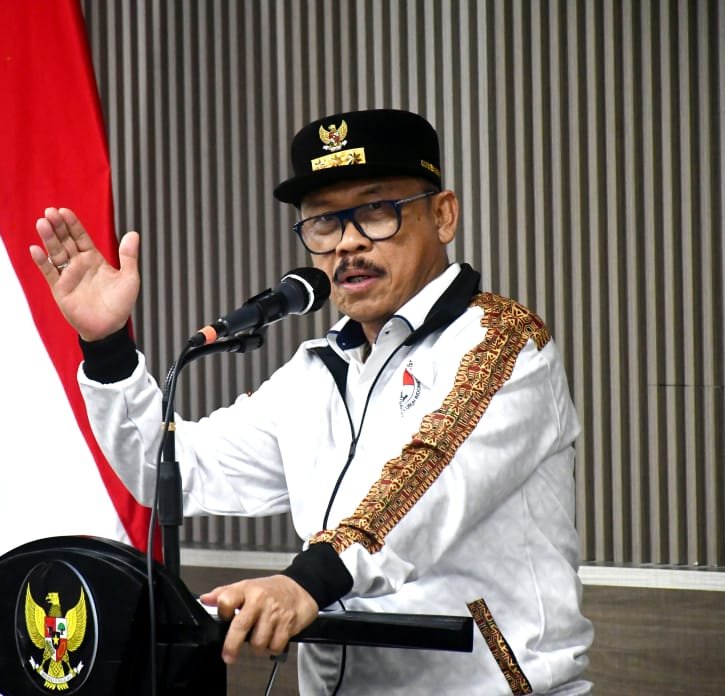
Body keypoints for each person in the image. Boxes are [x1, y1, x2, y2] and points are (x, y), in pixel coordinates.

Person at [29, 109, 593, 694]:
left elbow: (424, 480)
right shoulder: (316, 371)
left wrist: (307, 580)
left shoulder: (500, 341)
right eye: (324, 221)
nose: (348, 242)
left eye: (377, 210)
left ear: (443, 215)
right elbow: (170, 470)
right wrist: (108, 348)